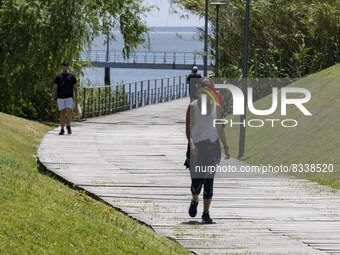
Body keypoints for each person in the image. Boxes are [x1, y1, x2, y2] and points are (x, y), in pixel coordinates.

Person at [185, 77, 230, 223]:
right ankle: (194, 199)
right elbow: (189, 128)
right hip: (196, 147)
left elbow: (220, 128)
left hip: (212, 147)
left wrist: (226, 147)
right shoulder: (192, 107)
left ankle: (206, 213)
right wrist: (191, 143)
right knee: (197, 183)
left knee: (209, 179)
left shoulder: (217, 107)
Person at [51, 61, 78, 135]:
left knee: (69, 111)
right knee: (62, 113)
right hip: (60, 97)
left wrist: (77, 96)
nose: (65, 68)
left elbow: (75, 87)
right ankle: (62, 129)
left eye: (66, 67)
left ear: (68, 67)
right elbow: (55, 88)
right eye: (64, 67)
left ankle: (68, 126)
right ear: (62, 67)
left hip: (69, 97)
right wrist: (53, 97)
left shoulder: (72, 76)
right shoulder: (58, 77)